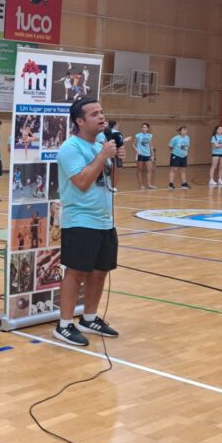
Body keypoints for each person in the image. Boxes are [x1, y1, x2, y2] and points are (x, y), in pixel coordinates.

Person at [54, 98, 124, 346]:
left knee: (100, 271)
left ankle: (90, 318)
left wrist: (113, 159)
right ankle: (64, 325)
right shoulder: (71, 148)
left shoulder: (100, 147)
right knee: (76, 273)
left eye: (102, 112)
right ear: (80, 121)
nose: (101, 116)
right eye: (94, 113)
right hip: (81, 220)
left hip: (104, 220)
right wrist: (104, 155)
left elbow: (109, 182)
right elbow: (82, 182)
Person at [134, 123, 157, 189]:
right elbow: (133, 145)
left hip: (148, 155)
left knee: (150, 169)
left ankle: (149, 184)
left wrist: (152, 155)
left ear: (148, 128)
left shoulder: (150, 136)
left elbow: (151, 146)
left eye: (145, 127)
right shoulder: (138, 135)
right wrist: (137, 151)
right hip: (140, 155)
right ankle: (141, 185)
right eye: (143, 127)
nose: (144, 128)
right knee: (139, 170)